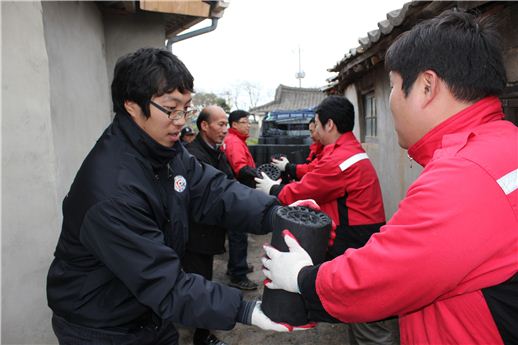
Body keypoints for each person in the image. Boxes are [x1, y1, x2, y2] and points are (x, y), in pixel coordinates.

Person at [262, 10, 518, 345]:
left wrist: (303, 279)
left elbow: (377, 279)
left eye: (394, 87)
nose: (391, 100)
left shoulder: (463, 175)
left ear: (427, 86)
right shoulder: (504, 142)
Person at [46, 48, 295, 345]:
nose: (181, 121)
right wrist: (244, 309)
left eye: (186, 108)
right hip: (103, 327)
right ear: (132, 106)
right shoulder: (111, 191)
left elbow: (214, 190)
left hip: (150, 312)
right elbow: (162, 282)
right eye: (171, 109)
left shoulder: (166, 150)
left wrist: (276, 213)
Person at [255, 95, 393, 344]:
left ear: (329, 125)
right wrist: (290, 170)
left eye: (316, 123)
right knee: (357, 305)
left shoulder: (342, 161)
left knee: (364, 307)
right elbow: (315, 172)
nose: (314, 129)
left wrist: (273, 190)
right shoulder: (344, 152)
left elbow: (304, 189)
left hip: (355, 238)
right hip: (357, 233)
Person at [182, 105, 235, 345]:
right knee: (199, 282)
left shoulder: (216, 151)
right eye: (221, 124)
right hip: (196, 234)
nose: (226, 129)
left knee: (202, 279)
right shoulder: (194, 156)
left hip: (210, 232)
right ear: (204, 126)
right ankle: (201, 336)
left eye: (227, 124)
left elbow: (229, 183)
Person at [223, 110, 258, 290]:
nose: (248, 124)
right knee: (238, 236)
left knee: (238, 234)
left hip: (237, 192)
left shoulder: (236, 140)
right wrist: (260, 175)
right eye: (244, 122)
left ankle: (236, 267)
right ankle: (238, 275)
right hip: (238, 194)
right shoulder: (234, 142)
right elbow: (241, 169)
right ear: (234, 125)